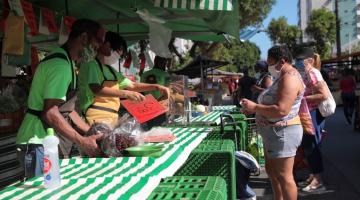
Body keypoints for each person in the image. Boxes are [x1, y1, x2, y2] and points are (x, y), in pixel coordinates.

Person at [16, 19, 106, 180]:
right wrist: (82, 142)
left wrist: (91, 132)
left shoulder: (69, 63)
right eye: (97, 41)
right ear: (84, 38)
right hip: (37, 141)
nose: (98, 47)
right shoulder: (60, 65)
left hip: (48, 140)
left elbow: (66, 109)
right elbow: (50, 113)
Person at [241, 45, 305, 200]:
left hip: (284, 134)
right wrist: (255, 110)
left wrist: (255, 107)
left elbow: (282, 110)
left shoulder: (290, 77)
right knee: (272, 172)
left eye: (270, 62)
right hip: (273, 133)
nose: (268, 66)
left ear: (282, 61)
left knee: (284, 176)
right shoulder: (281, 77)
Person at [79, 31, 170, 127]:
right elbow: (96, 89)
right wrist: (126, 93)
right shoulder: (91, 65)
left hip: (112, 118)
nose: (118, 57)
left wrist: (157, 87)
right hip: (94, 117)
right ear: (106, 45)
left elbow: (133, 85)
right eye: (117, 53)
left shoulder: (111, 70)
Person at [294, 47, 328, 192]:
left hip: (313, 113)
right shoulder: (308, 73)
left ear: (308, 60)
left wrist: (302, 99)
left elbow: (323, 94)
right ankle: (314, 174)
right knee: (309, 146)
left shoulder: (313, 72)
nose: (297, 62)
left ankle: (318, 179)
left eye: (300, 60)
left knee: (312, 146)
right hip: (310, 113)